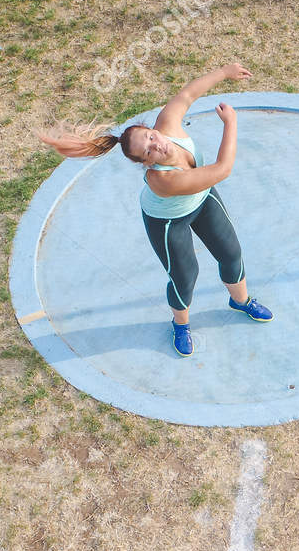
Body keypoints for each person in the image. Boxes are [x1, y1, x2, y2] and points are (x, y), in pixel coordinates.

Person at [39, 62, 270, 356]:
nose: (156, 146)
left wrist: (224, 72)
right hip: (168, 220)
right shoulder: (162, 179)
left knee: (231, 252)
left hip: (200, 199)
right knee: (185, 276)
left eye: (150, 137)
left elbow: (186, 96)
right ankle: (181, 324)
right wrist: (231, 123)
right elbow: (222, 169)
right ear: (146, 162)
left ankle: (240, 301)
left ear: (153, 129)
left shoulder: (168, 125)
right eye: (147, 151)